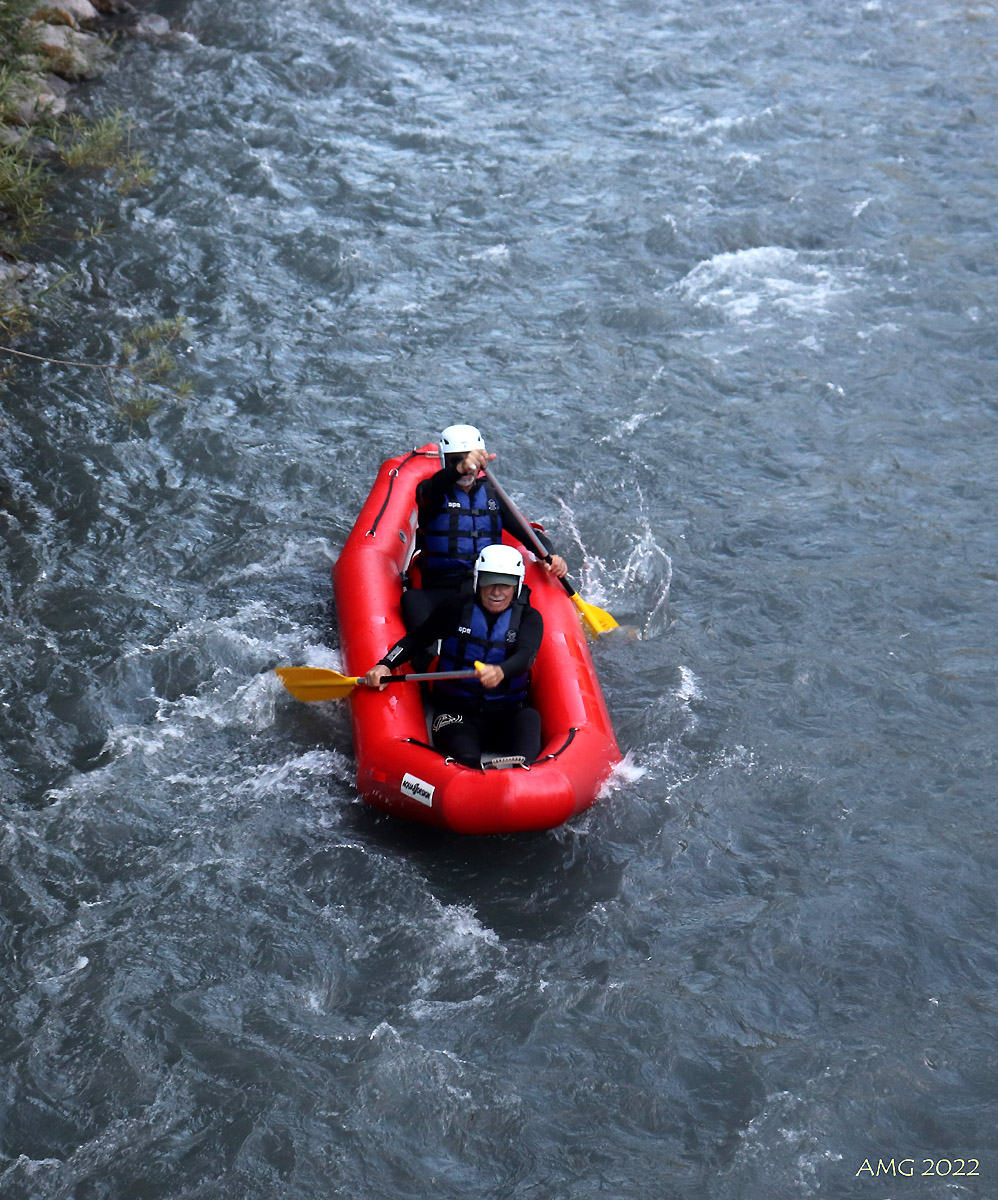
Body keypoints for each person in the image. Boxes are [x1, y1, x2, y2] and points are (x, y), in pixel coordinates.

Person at [366, 545, 543, 768]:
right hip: (457, 714)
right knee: (467, 762)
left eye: (505, 584)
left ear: (516, 586)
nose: (496, 591)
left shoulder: (529, 618)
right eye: (490, 582)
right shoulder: (457, 608)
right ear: (478, 580)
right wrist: (385, 664)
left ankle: (525, 774)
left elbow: (526, 656)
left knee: (530, 718)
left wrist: (501, 671)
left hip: (507, 715)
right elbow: (417, 639)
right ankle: (470, 775)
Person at [401, 423, 567, 633]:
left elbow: (529, 535)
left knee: (521, 603)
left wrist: (551, 556)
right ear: (446, 461)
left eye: (471, 459)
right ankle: (427, 653)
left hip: (487, 585)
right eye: (457, 460)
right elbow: (433, 488)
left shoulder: (493, 496)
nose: (467, 468)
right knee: (412, 600)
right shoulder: (430, 492)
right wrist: (459, 468)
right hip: (443, 586)